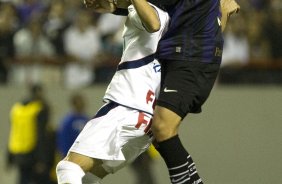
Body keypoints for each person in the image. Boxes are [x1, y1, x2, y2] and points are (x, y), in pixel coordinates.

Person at [109, 0, 240, 183]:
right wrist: (112, 5)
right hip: (178, 56)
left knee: (163, 127)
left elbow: (154, 7)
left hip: (192, 57)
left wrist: (115, 5)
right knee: (158, 134)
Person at [56, 0, 169, 184]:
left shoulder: (151, 13)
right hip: (146, 122)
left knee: (68, 168)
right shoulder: (177, 25)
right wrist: (113, 7)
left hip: (126, 108)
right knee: (89, 177)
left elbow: (153, 23)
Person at [7, 84, 54, 184]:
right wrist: (42, 159)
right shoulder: (39, 109)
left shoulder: (17, 108)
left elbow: (13, 132)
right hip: (33, 153)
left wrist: (9, 157)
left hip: (17, 152)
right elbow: (40, 135)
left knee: (23, 179)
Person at [57, 93, 89, 157]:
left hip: (84, 154)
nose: (81, 105)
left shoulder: (87, 120)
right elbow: (63, 140)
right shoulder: (68, 121)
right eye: (79, 103)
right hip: (71, 155)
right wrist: (65, 154)